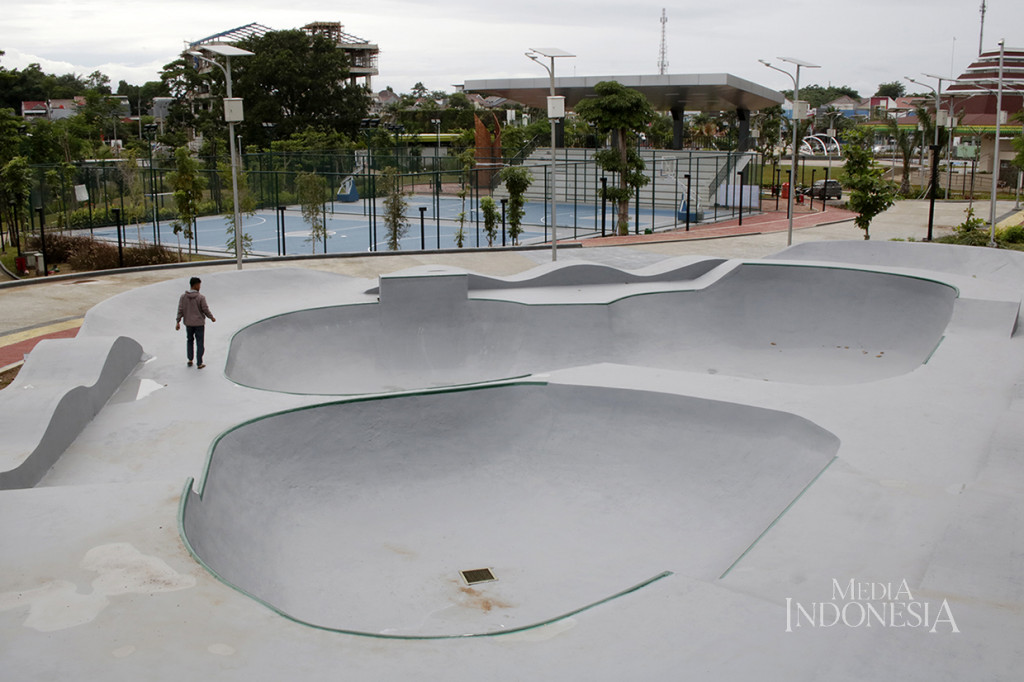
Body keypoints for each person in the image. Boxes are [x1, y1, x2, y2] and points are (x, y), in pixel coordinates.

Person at [175, 276, 216, 369]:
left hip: (188, 323)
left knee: (189, 340)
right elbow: (205, 309)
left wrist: (178, 321)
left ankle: (190, 359)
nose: (200, 287)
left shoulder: (183, 297)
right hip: (199, 324)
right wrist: (211, 317)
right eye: (199, 285)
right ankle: (199, 363)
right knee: (200, 342)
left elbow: (180, 310)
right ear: (196, 285)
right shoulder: (201, 297)